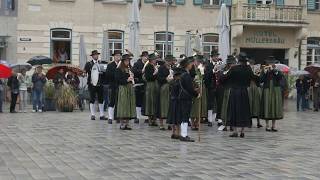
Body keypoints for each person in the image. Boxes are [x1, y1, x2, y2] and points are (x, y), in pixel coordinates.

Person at [224, 52, 253, 138]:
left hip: (235, 91)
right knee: (244, 110)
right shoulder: (248, 68)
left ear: (239, 60)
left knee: (234, 110)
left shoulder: (234, 68)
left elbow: (226, 78)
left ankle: (235, 131)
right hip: (244, 91)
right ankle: (242, 131)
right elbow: (253, 78)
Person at [178, 57, 199, 142]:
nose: (192, 65)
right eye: (191, 64)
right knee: (185, 116)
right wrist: (196, 94)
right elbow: (189, 88)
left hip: (183, 97)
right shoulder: (186, 75)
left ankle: (183, 134)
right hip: (186, 97)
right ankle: (184, 134)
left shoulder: (184, 74)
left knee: (184, 116)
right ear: (187, 65)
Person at [260, 59, 284, 132]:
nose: (270, 65)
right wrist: (264, 72)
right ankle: (267, 125)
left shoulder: (277, 71)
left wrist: (275, 71)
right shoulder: (265, 70)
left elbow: (280, 78)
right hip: (267, 90)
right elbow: (261, 80)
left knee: (275, 107)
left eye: (272, 64)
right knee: (267, 106)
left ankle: (273, 126)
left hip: (275, 90)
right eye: (269, 63)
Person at [115, 54, 136, 130]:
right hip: (123, 88)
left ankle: (127, 123)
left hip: (129, 88)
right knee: (123, 105)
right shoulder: (119, 69)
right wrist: (127, 80)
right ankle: (122, 123)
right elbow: (117, 80)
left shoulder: (130, 68)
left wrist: (132, 78)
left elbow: (133, 78)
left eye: (128, 60)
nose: (128, 62)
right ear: (123, 61)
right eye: (126, 60)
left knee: (129, 105)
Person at [84, 50, 106, 120]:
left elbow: (105, 72)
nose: (96, 56)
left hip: (100, 83)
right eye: (95, 55)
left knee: (101, 99)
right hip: (92, 84)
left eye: (97, 55)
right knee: (92, 98)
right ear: (92, 56)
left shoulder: (101, 63)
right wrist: (83, 73)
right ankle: (92, 114)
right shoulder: (88, 64)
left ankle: (102, 114)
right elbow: (84, 72)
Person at [157, 55, 174, 130]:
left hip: (170, 89)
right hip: (163, 88)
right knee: (162, 105)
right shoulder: (161, 68)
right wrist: (166, 79)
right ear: (166, 61)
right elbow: (159, 78)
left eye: (170, 61)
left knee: (170, 106)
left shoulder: (172, 68)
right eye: (168, 61)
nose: (169, 63)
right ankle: (161, 124)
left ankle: (169, 123)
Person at [190, 55, 207, 131]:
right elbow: (190, 77)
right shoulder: (191, 68)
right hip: (194, 87)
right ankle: (192, 122)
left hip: (201, 86)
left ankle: (197, 122)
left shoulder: (201, 69)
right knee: (194, 106)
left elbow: (204, 77)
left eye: (199, 61)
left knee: (200, 105)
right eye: (197, 61)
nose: (198, 63)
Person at [220, 55, 237, 131]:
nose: (233, 65)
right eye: (231, 63)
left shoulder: (236, 70)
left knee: (232, 108)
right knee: (226, 108)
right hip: (227, 90)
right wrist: (229, 71)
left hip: (234, 90)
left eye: (234, 63)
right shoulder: (225, 70)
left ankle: (232, 125)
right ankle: (225, 124)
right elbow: (222, 79)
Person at [167, 67, 184, 139]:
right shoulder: (179, 82)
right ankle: (178, 133)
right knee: (177, 118)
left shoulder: (172, 82)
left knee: (173, 118)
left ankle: (174, 132)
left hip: (172, 100)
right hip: (177, 101)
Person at [143, 53, 160, 126]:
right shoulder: (148, 67)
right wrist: (155, 73)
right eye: (154, 59)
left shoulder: (155, 66)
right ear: (151, 60)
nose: (156, 61)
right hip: (150, 85)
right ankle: (150, 119)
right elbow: (148, 77)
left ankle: (154, 119)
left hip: (155, 85)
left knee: (155, 101)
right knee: (150, 101)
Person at [106, 50, 122, 124]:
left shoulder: (122, 65)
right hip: (112, 86)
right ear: (114, 57)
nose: (118, 57)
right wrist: (117, 70)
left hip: (120, 86)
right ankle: (110, 117)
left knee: (119, 102)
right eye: (116, 56)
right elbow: (108, 75)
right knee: (112, 102)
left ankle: (118, 117)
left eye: (119, 56)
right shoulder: (110, 65)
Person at [132, 51, 148, 124]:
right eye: (144, 56)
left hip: (146, 84)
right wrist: (142, 71)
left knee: (146, 101)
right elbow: (134, 71)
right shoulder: (137, 64)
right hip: (139, 84)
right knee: (138, 101)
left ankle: (146, 117)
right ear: (142, 57)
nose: (146, 58)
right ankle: (137, 117)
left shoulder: (148, 64)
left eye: (147, 56)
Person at [204, 51, 218, 127]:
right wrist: (213, 70)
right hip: (211, 86)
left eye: (217, 56)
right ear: (212, 57)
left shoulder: (220, 64)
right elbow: (206, 75)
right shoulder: (208, 65)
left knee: (219, 102)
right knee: (210, 103)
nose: (216, 57)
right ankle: (209, 120)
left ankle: (219, 120)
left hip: (218, 86)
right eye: (215, 56)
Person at [248, 59, 263, 128]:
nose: (251, 64)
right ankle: (250, 121)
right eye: (250, 63)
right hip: (249, 87)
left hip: (256, 87)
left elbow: (259, 79)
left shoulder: (257, 69)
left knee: (257, 104)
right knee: (250, 104)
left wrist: (257, 74)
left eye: (252, 63)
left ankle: (258, 122)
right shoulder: (247, 69)